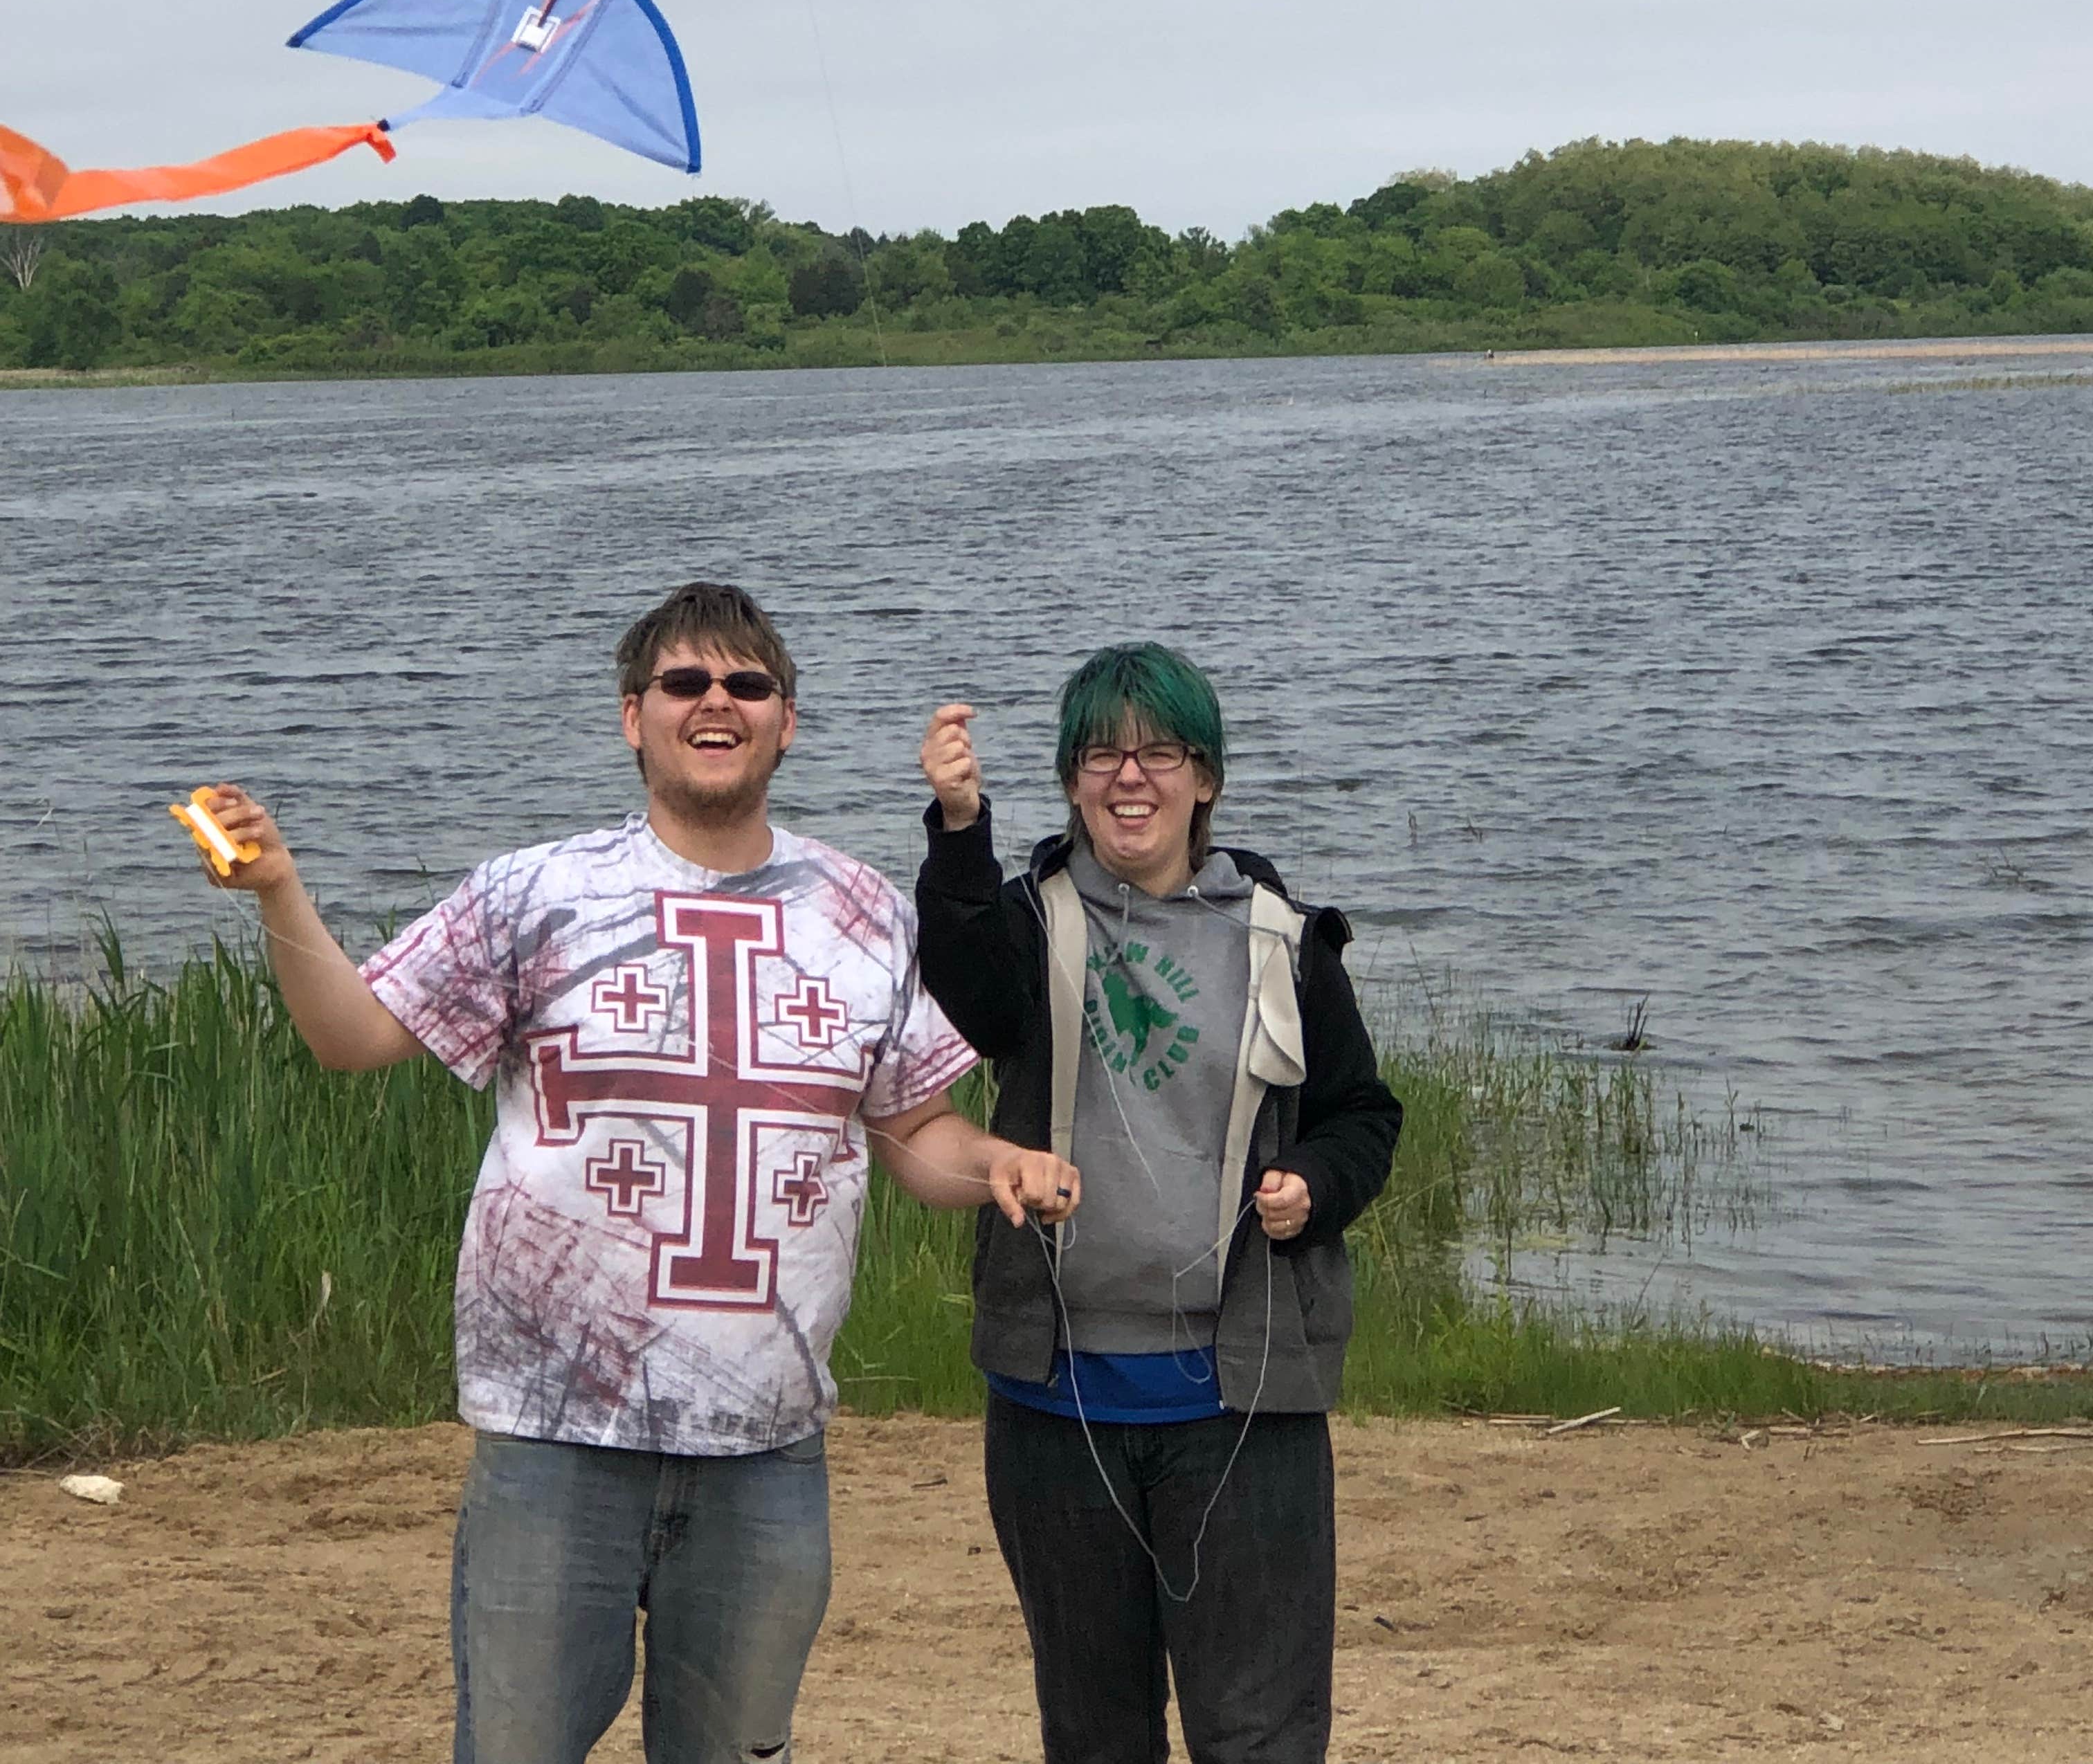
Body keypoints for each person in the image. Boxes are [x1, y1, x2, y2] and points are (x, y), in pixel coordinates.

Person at [197, 578, 1078, 1764]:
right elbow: (350, 1037)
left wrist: (1002, 1163)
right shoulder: (535, 894)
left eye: (746, 684)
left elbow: (920, 1135)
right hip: (553, 1435)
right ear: (633, 716)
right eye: (684, 682)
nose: (716, 702)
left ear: (787, 722)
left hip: (768, 1441)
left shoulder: (863, 910)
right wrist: (279, 889)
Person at [916, 643, 1402, 1764]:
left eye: (1161, 754)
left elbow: (1363, 1116)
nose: (1129, 778)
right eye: (1101, 755)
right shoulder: (1028, 924)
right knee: (1095, 1734)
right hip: (1056, 1402)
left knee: (1259, 1733)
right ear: (1070, 780)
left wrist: (1316, 1186)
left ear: (1207, 778)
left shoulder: (1284, 939)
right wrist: (959, 827)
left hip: (1244, 1405)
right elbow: (963, 985)